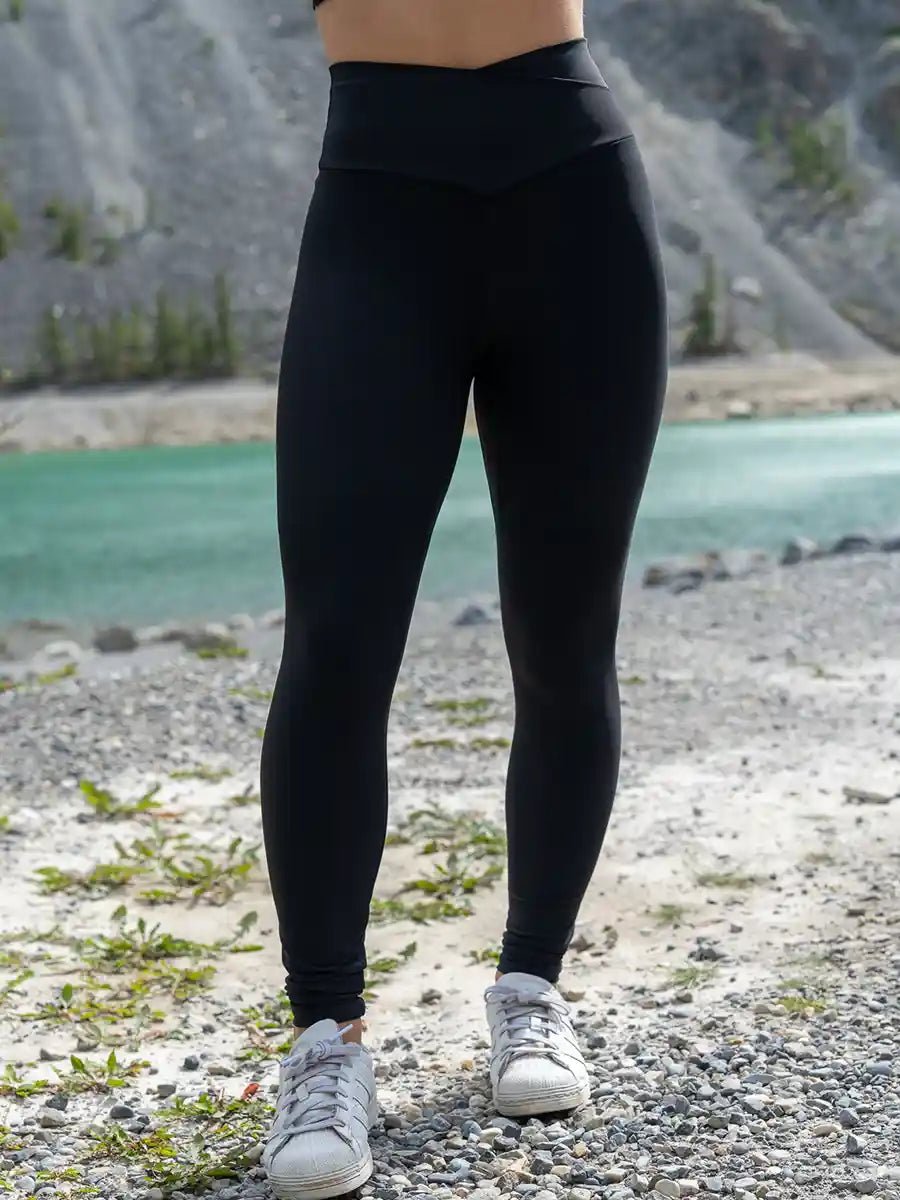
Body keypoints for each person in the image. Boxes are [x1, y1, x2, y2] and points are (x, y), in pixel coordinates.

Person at [259, 0, 668, 1195]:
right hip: (378, 213)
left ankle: (532, 987)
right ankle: (326, 1039)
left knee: (565, 634)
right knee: (336, 640)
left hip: (576, 193)